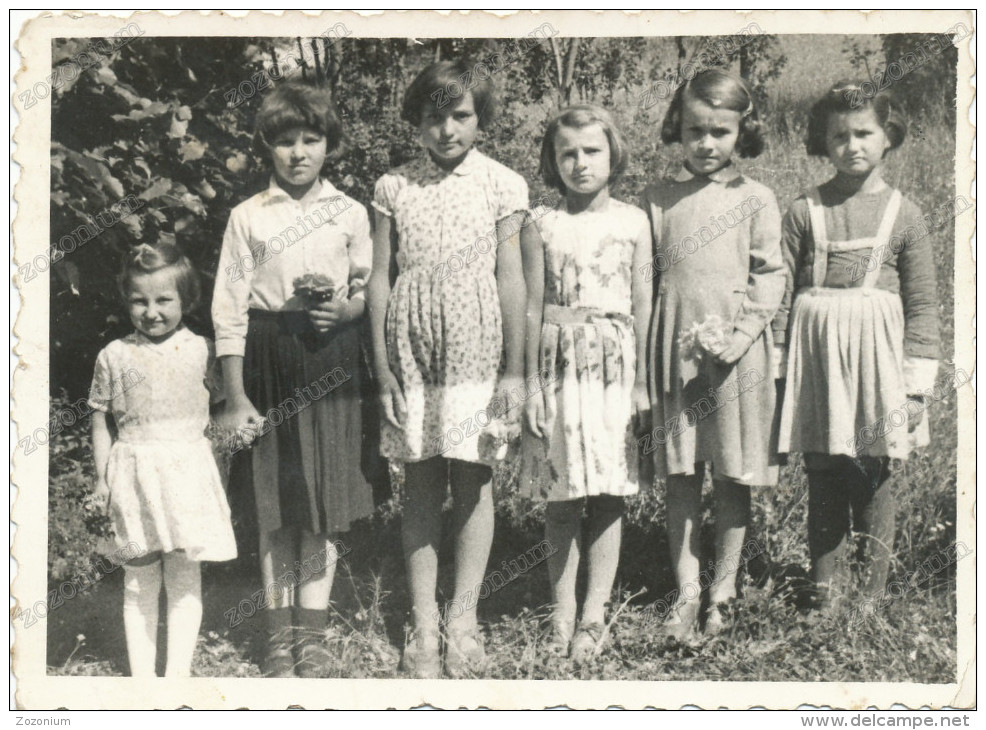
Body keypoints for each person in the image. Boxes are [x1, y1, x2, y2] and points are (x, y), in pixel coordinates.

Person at [367, 59, 528, 678]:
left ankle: (463, 616)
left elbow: (511, 280)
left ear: (480, 120)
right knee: (421, 480)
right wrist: (381, 367)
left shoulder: (502, 184)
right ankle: (423, 624)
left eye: (461, 116)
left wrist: (514, 370)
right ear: (417, 122)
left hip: (476, 347)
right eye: (434, 118)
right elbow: (381, 276)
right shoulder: (393, 186)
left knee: (474, 478)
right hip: (412, 347)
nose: (447, 130)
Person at [212, 80, 375, 677]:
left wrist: (351, 309)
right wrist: (234, 397)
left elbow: (368, 286)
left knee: (322, 501)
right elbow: (228, 307)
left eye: (311, 139)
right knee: (276, 504)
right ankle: (278, 633)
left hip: (329, 357)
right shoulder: (247, 216)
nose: (299, 153)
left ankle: (313, 632)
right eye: (285, 142)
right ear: (268, 147)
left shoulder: (350, 212)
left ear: (329, 144)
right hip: (266, 359)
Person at [775, 81, 939, 610]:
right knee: (822, 470)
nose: (852, 146)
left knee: (873, 471)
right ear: (823, 142)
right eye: (839, 136)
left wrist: (916, 390)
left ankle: (869, 599)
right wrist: (779, 371)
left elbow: (923, 305)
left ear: (887, 137)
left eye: (864, 133)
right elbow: (781, 296)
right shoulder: (804, 210)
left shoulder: (904, 214)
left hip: (879, 365)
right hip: (817, 360)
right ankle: (824, 595)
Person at [643, 69, 785, 639]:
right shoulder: (656, 200)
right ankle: (686, 589)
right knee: (681, 473)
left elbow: (770, 276)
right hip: (673, 351)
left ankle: (723, 590)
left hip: (734, 357)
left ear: (740, 133)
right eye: (696, 131)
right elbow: (644, 282)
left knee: (732, 473)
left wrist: (742, 334)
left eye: (720, 132)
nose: (706, 144)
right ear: (678, 129)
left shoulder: (755, 198)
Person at [519, 105, 651, 662]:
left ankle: (595, 611)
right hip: (557, 363)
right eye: (567, 152)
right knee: (563, 492)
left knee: (608, 490)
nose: (579, 163)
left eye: (591, 151)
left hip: (615, 366)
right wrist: (527, 381)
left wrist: (644, 382)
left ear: (612, 154)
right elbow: (528, 305)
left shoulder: (633, 221)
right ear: (552, 159)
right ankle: (561, 609)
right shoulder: (540, 222)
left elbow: (644, 303)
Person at [90, 243, 237, 677]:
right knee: (138, 579)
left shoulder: (203, 351)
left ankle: (175, 677)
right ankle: (142, 680)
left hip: (187, 474)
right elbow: (102, 423)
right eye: (140, 300)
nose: (151, 311)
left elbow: (224, 416)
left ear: (186, 300)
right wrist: (102, 480)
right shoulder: (114, 356)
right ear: (126, 300)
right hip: (133, 474)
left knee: (184, 575)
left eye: (163, 300)